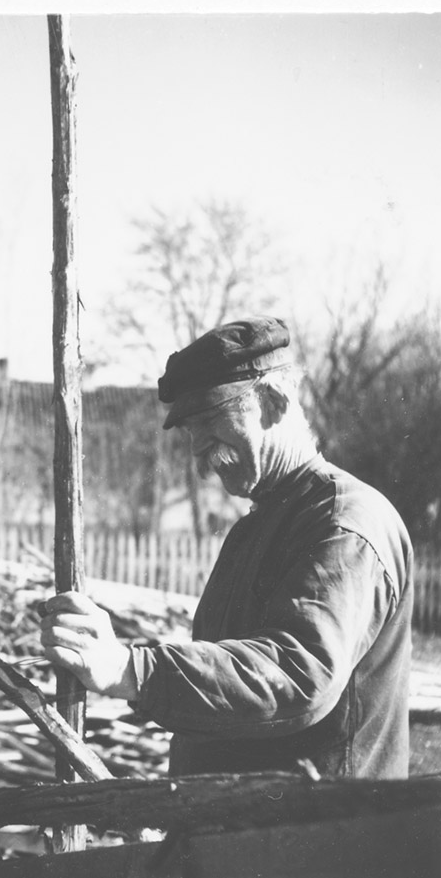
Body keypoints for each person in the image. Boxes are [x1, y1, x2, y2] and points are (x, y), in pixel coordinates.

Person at [40, 315, 412, 780]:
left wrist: (130, 670)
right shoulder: (254, 529)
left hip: (323, 822)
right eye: (190, 432)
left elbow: (299, 672)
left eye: (211, 420)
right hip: (251, 820)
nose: (200, 455)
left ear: (274, 402)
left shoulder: (343, 524)